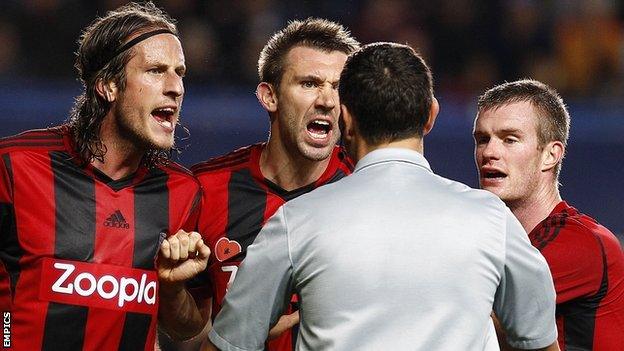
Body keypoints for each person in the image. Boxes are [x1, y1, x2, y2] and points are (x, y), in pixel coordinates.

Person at [203, 42, 559, 350]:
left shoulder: (297, 220)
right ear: (431, 115)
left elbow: (230, 344)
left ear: (346, 119)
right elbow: (538, 340)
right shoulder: (492, 220)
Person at [0, 2, 205, 350]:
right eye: (156, 70)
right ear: (108, 85)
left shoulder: (183, 192)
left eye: (180, 73)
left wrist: (170, 289)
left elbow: (187, 329)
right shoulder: (15, 164)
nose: (175, 87)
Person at [157, 18, 359, 351]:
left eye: (338, 87)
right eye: (309, 83)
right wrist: (172, 289)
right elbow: (184, 327)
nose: (327, 100)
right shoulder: (207, 190)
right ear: (269, 96)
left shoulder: (363, 187)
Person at [473, 79, 624, 350]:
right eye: (482, 139)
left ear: (550, 155)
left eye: (510, 139)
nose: (489, 152)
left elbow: (467, 322)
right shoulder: (491, 239)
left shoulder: (582, 243)